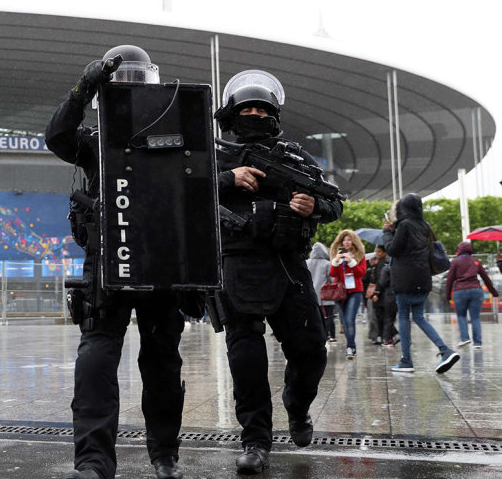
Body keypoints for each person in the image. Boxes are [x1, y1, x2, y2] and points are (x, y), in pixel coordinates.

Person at [46, 44, 190, 479]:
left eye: (135, 81)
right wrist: (81, 88)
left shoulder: (175, 133)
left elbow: (201, 176)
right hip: (107, 263)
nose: (127, 89)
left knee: (163, 362)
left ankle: (164, 456)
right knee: (95, 360)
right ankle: (93, 463)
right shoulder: (94, 141)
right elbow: (57, 137)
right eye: (117, 83)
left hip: (162, 260)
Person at [214, 69, 343, 474]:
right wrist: (227, 178)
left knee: (310, 350)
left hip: (287, 265)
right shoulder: (213, 154)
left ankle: (297, 404)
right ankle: (255, 441)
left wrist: (314, 208)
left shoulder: (295, 156)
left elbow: (334, 202)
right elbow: (179, 193)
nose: (254, 114)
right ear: (233, 114)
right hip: (236, 265)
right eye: (247, 108)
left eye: (262, 109)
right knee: (246, 360)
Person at [382, 194, 460, 373]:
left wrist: (387, 232)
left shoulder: (405, 225)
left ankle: (406, 360)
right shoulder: (425, 226)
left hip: (405, 280)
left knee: (403, 316)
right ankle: (445, 350)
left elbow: (393, 249)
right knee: (418, 317)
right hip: (423, 279)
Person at [445, 241, 498, 349]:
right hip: (476, 291)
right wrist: (494, 292)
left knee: (461, 316)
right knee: (475, 317)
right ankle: (477, 343)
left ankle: (465, 338)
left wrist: (448, 296)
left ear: (459, 250)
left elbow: (449, 280)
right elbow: (486, 278)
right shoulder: (476, 261)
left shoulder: (455, 262)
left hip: (460, 291)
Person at [328, 230, 367, 359]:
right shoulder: (337, 254)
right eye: (344, 240)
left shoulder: (360, 255)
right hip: (340, 292)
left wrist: (351, 261)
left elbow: (361, 273)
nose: (347, 242)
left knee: (350, 319)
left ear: (353, 241)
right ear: (341, 242)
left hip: (355, 291)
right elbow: (332, 274)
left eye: (349, 240)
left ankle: (351, 347)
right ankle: (350, 346)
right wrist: (336, 260)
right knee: (344, 321)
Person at [369, 245, 399, 346]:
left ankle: (387, 338)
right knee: (385, 317)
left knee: (385, 318)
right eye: (376, 252)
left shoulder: (385, 265)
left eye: (379, 252)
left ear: (385, 253)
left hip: (384, 295)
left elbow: (381, 281)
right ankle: (389, 337)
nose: (377, 254)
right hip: (387, 295)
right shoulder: (381, 263)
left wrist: (376, 293)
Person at [306, 242, 336, 342]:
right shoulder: (327, 264)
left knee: (314, 317)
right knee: (328, 317)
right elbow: (331, 279)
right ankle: (328, 335)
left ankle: (315, 335)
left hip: (311, 296)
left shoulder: (307, 262)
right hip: (325, 297)